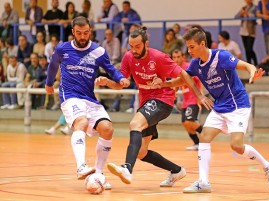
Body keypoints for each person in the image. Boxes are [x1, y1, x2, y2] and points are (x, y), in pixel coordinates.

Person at [159, 28, 269, 193]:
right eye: (187, 47)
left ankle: (268, 166)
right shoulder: (195, 64)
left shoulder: (221, 56)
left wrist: (253, 73)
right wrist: (164, 84)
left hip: (238, 105)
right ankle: (204, 182)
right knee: (204, 137)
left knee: (236, 146)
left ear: (202, 44)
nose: (189, 50)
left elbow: (246, 65)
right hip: (220, 106)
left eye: (192, 47)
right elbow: (182, 80)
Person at [96, 26, 203, 187]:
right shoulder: (128, 57)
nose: (134, 50)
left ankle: (127, 168)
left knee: (135, 124)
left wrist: (198, 94)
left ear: (146, 44)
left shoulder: (159, 57)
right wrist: (107, 82)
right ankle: (177, 170)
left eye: (137, 46)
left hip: (163, 99)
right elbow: (120, 84)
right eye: (131, 46)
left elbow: (184, 76)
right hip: (146, 102)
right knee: (141, 152)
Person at [45, 16, 130, 189]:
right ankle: (81, 166)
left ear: (90, 31)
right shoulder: (62, 49)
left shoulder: (98, 51)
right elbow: (53, 65)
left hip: (89, 98)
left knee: (107, 129)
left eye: (85, 33)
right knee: (81, 122)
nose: (82, 36)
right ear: (73, 32)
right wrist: (48, 83)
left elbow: (111, 69)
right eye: (79, 33)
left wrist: (121, 79)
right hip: (70, 95)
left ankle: (98, 173)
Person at [172, 49, 203, 151]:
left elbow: (200, 80)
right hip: (186, 100)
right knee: (185, 123)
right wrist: (174, 93)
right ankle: (197, 144)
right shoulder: (175, 69)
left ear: (183, 57)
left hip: (194, 98)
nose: (176, 59)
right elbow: (176, 83)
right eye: (174, 57)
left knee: (190, 121)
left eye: (178, 57)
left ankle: (207, 135)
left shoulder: (189, 67)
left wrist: (201, 96)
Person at [234, 0, 258, 65]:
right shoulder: (243, 7)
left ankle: (256, 63)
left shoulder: (255, 7)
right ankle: (249, 63)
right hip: (243, 31)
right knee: (246, 49)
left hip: (251, 31)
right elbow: (236, 17)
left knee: (250, 48)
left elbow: (256, 16)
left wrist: (247, 14)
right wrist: (241, 14)